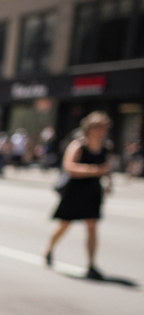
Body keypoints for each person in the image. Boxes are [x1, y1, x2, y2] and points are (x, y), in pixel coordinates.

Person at [45, 111, 112, 280]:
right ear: (88, 127)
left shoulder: (105, 148)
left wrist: (108, 182)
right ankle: (49, 249)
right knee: (65, 223)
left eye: (102, 126)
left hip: (93, 190)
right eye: (96, 126)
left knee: (91, 226)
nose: (99, 129)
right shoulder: (78, 145)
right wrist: (93, 170)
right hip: (75, 190)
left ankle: (91, 264)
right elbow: (69, 167)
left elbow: (106, 168)